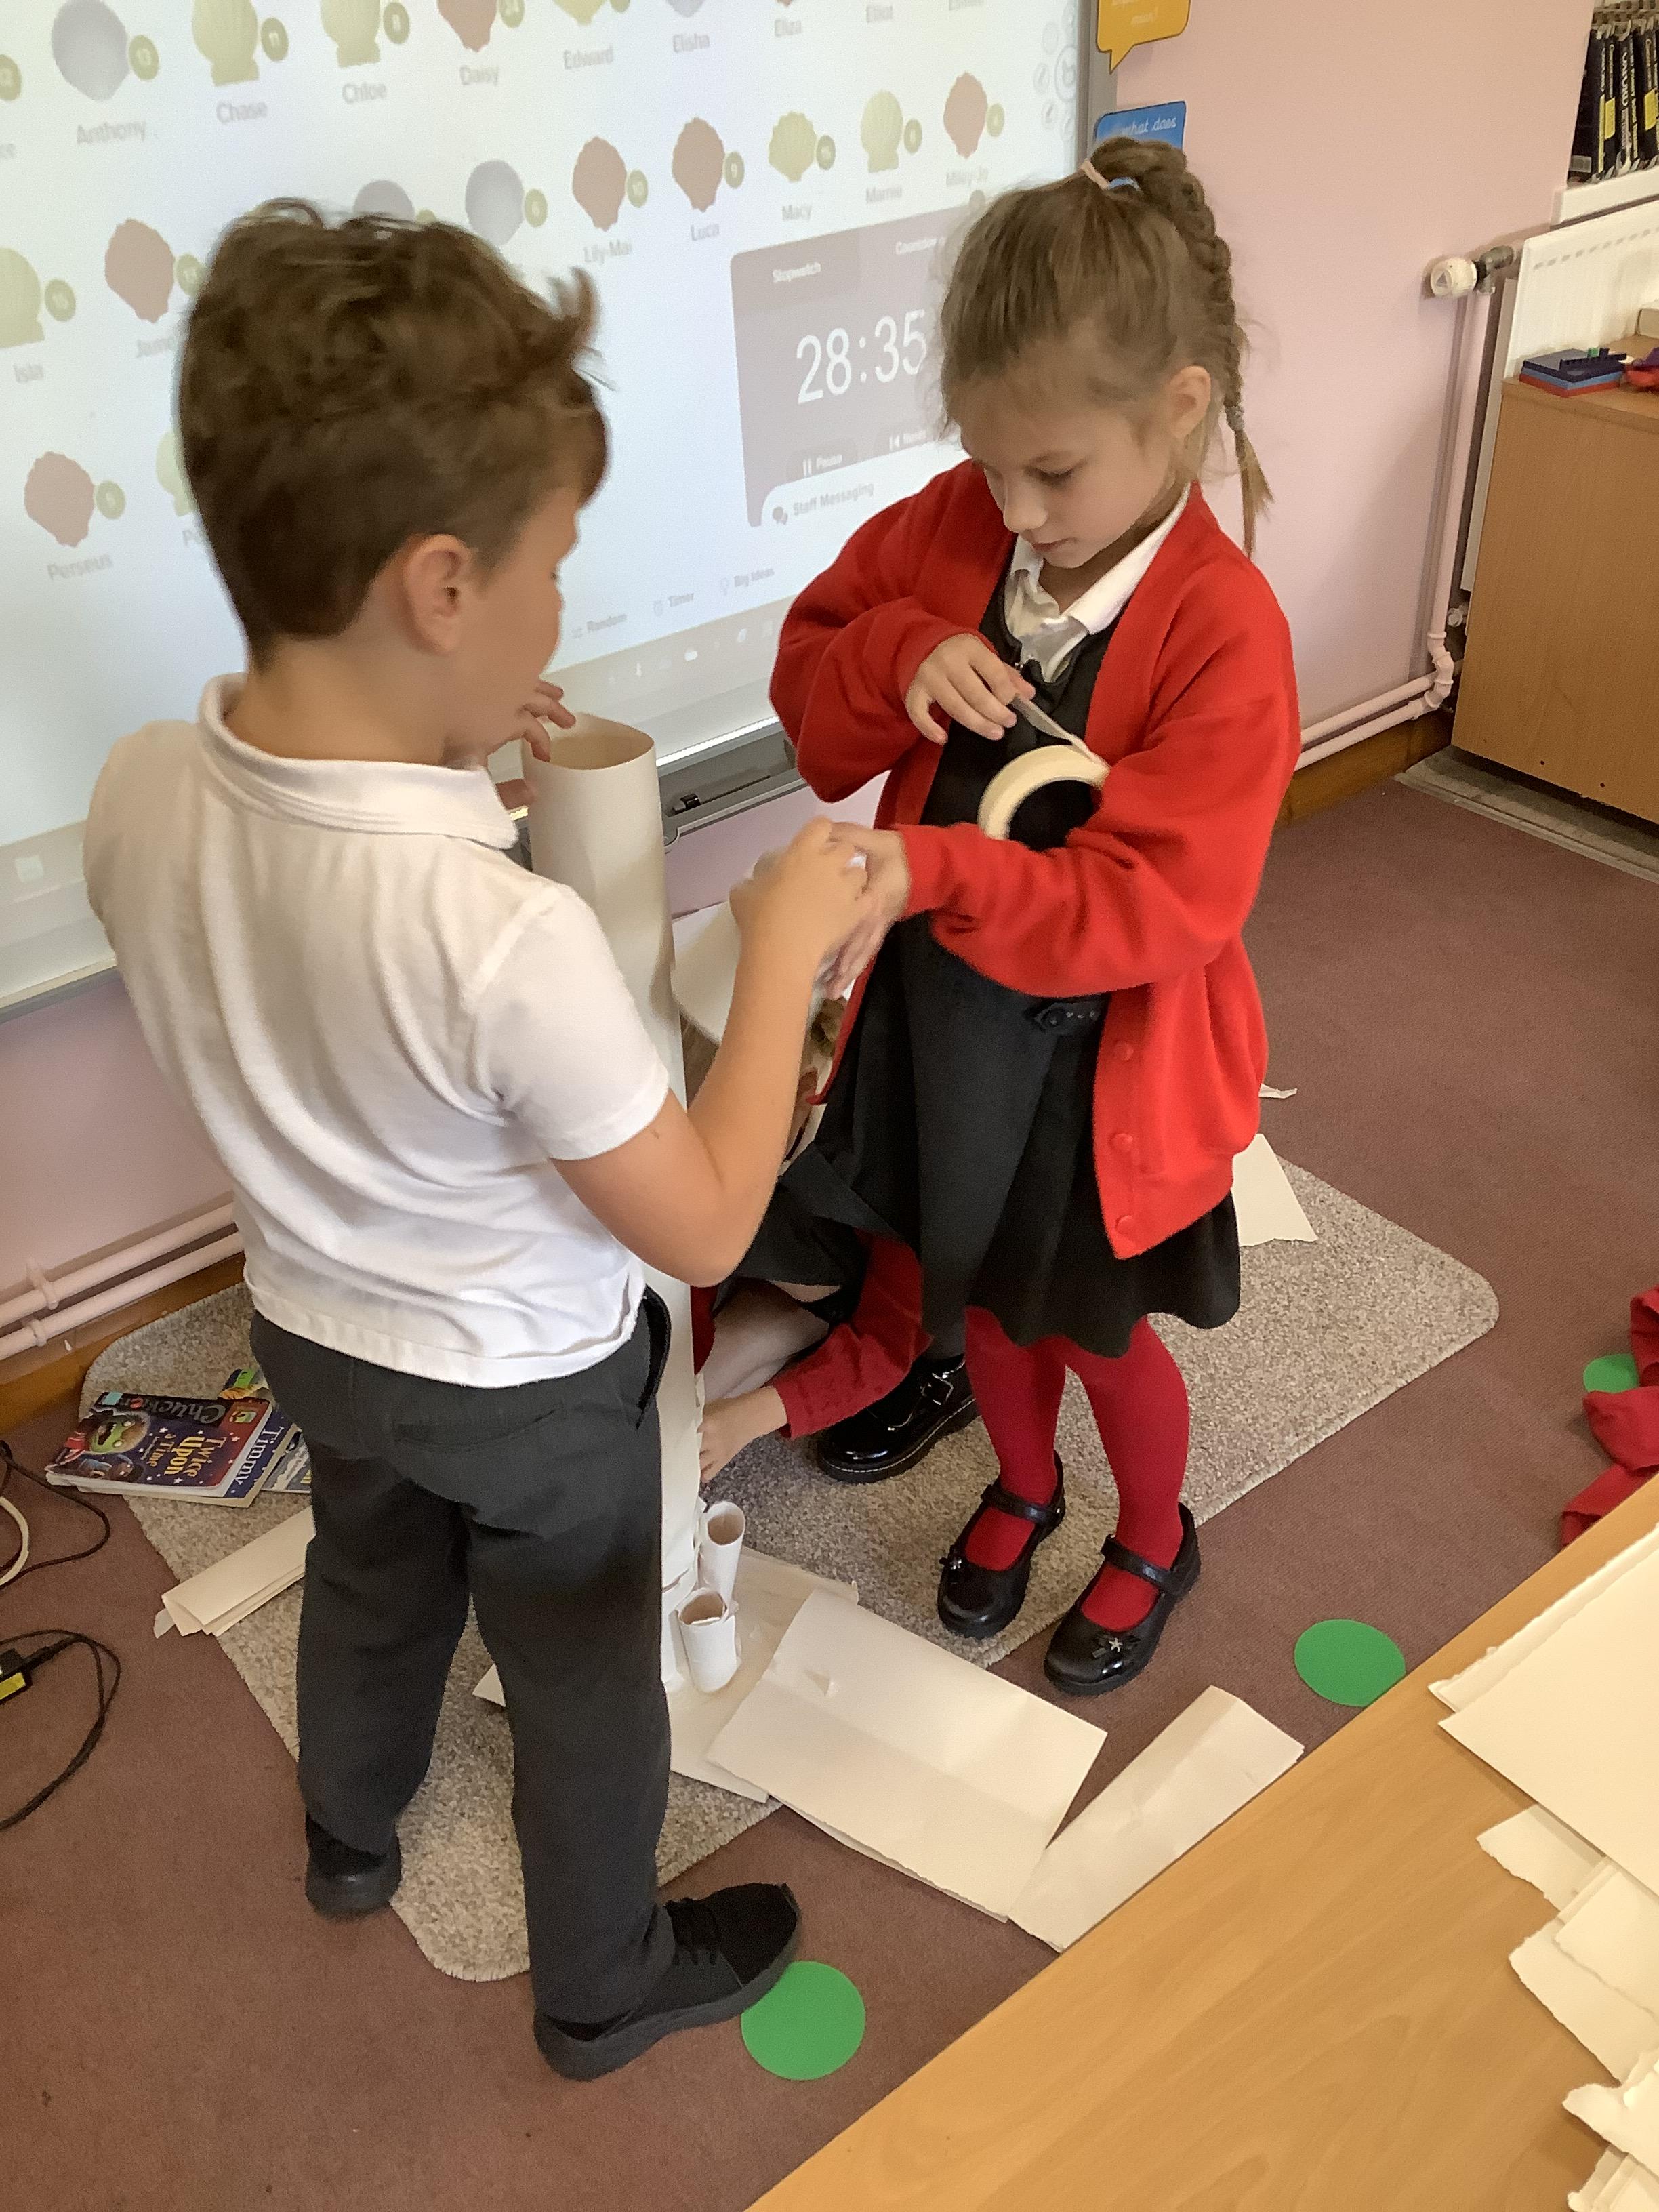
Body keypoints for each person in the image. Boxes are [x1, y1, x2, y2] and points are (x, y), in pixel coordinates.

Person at [83, 201, 871, 2080]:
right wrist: (779, 955)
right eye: (552, 572)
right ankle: (602, 1984)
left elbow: (317, 929)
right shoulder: (507, 941)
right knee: (584, 1674)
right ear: (441, 586)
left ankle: (348, 1840)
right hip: (528, 1387)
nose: (558, 614)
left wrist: (439, 742)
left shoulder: (139, 789)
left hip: (317, 1335)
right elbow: (705, 1228)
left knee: (371, 1578)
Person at [740, 138, 1302, 1693]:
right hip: (949, 1026)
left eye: (1052, 473)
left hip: (1105, 1069)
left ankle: (1153, 1532)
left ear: (1180, 409)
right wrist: (900, 649)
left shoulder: (1224, 633)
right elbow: (812, 679)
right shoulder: (956, 528)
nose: (1016, 508)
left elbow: (1154, 902)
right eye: (990, 467)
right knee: (985, 1309)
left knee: (1098, 1333)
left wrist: (931, 872)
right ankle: (1026, 1484)